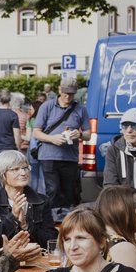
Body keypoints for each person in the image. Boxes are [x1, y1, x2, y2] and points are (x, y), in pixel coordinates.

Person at [0, 149, 54, 255]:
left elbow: (51, 241)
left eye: (25, 168)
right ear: (3, 174)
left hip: (35, 258)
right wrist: (13, 217)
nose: (23, 173)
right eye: (15, 169)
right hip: (2, 260)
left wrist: (27, 226)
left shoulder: (41, 201)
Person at [33, 79, 87, 219]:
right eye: (65, 93)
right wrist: (52, 139)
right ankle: (52, 220)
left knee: (69, 192)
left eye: (71, 94)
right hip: (49, 155)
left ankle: (67, 221)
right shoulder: (47, 106)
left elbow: (88, 134)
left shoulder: (80, 109)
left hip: (70, 157)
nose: (68, 97)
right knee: (53, 190)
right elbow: (36, 132)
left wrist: (80, 134)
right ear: (59, 90)